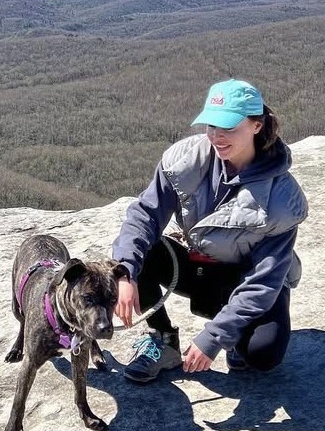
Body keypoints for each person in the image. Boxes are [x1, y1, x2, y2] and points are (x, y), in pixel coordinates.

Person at [112, 78, 308, 382]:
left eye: (228, 128)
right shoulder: (184, 161)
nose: (217, 137)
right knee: (142, 251)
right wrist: (124, 272)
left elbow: (263, 281)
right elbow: (145, 215)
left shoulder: (282, 199)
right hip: (198, 264)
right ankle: (163, 341)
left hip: (244, 277)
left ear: (257, 125)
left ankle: (235, 335)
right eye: (211, 126)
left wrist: (214, 338)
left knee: (263, 352)